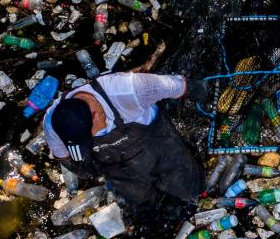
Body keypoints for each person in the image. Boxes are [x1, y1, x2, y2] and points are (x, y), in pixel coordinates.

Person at [45, 72, 206, 207]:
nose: (92, 139)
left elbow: (181, 86)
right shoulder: (53, 123)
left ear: (95, 113)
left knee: (189, 189)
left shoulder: (129, 90)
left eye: (90, 135)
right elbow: (64, 157)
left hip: (159, 145)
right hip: (119, 168)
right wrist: (92, 172)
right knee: (145, 206)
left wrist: (206, 98)